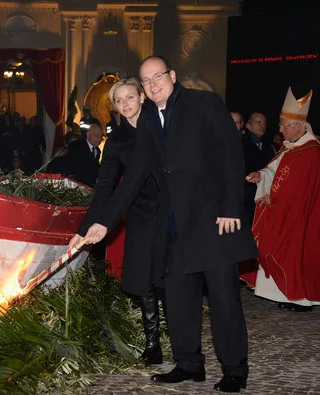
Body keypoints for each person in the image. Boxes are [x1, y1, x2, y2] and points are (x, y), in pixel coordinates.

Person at [81, 56, 258, 393]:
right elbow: (134, 177)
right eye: (146, 80)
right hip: (174, 227)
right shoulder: (148, 118)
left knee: (223, 301)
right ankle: (189, 364)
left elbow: (230, 154)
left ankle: (236, 369)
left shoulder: (203, 103)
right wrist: (104, 223)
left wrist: (231, 207)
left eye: (158, 76)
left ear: (172, 76)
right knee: (178, 300)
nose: (153, 84)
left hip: (214, 222)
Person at [69, 77, 165, 366]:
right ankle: (153, 345)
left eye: (129, 98)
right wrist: (83, 229)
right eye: (119, 101)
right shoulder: (116, 141)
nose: (125, 105)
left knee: (170, 278)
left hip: (171, 208)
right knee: (145, 281)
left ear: (142, 97)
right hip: (139, 211)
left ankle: (182, 341)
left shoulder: (159, 125)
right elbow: (104, 188)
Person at [242, 87, 319, 312]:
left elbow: (302, 189)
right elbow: (274, 172)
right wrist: (260, 176)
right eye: (281, 125)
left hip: (301, 215)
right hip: (282, 208)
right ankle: (283, 294)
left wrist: (272, 197)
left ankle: (302, 300)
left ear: (299, 126)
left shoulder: (311, 152)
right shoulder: (290, 148)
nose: (281, 130)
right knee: (277, 250)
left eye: (284, 125)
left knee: (297, 252)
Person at [242, 112, 275, 223]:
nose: (263, 126)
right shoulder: (240, 143)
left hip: (264, 192)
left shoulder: (269, 146)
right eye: (258, 122)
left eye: (264, 123)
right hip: (246, 193)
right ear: (248, 125)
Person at [63, 122, 103, 187]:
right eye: (96, 136)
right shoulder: (76, 146)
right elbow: (70, 165)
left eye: (101, 137)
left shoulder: (97, 150)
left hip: (90, 187)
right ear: (88, 135)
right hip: (76, 186)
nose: (99, 139)